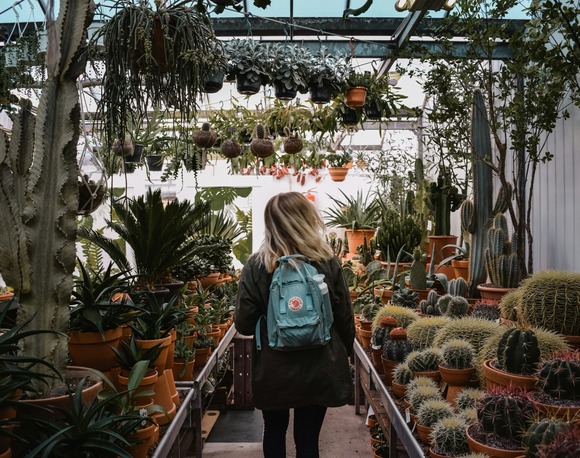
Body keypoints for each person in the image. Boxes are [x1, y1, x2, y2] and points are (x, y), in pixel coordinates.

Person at [234, 192, 355, 458]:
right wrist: (342, 355)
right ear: (305, 220)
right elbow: (345, 317)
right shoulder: (326, 260)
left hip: (274, 368)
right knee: (308, 438)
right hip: (320, 365)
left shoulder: (256, 266)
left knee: (274, 431)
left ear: (271, 223)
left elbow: (243, 324)